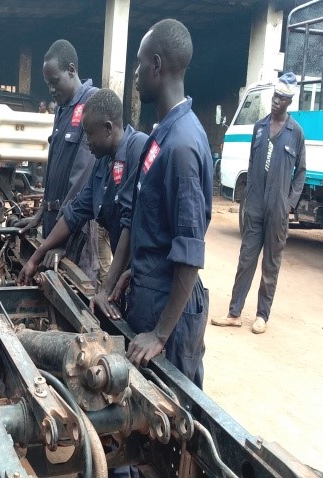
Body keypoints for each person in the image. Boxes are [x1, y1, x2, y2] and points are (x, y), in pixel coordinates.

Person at [92, 19, 212, 388]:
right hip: (149, 293)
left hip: (169, 315)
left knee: (173, 417)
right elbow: (147, 220)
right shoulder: (160, 136)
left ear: (157, 65)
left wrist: (160, 335)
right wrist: (131, 271)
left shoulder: (182, 146)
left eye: (140, 65)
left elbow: (190, 251)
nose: (136, 75)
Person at [18, 89, 147, 285]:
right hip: (130, 278)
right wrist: (35, 258)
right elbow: (74, 212)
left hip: (153, 282)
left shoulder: (138, 149)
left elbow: (131, 226)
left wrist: (106, 290)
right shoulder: (103, 165)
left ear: (107, 128)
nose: (86, 142)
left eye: (89, 134)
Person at [212, 72, 306, 334]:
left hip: (278, 209)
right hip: (254, 206)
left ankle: (262, 315)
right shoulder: (260, 127)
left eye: (282, 99)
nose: (276, 101)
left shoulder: (295, 133)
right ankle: (234, 312)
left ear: (289, 102)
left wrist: (289, 204)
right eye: (275, 96)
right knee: (246, 259)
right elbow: (254, 164)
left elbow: (301, 172)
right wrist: (249, 195)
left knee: (271, 263)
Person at [16, 39, 99, 281]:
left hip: (75, 228)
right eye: (47, 84)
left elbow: (79, 183)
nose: (51, 90)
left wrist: (59, 240)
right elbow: (53, 169)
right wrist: (40, 214)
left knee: (76, 293)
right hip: (55, 223)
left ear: (72, 70)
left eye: (55, 82)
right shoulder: (63, 109)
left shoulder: (90, 105)